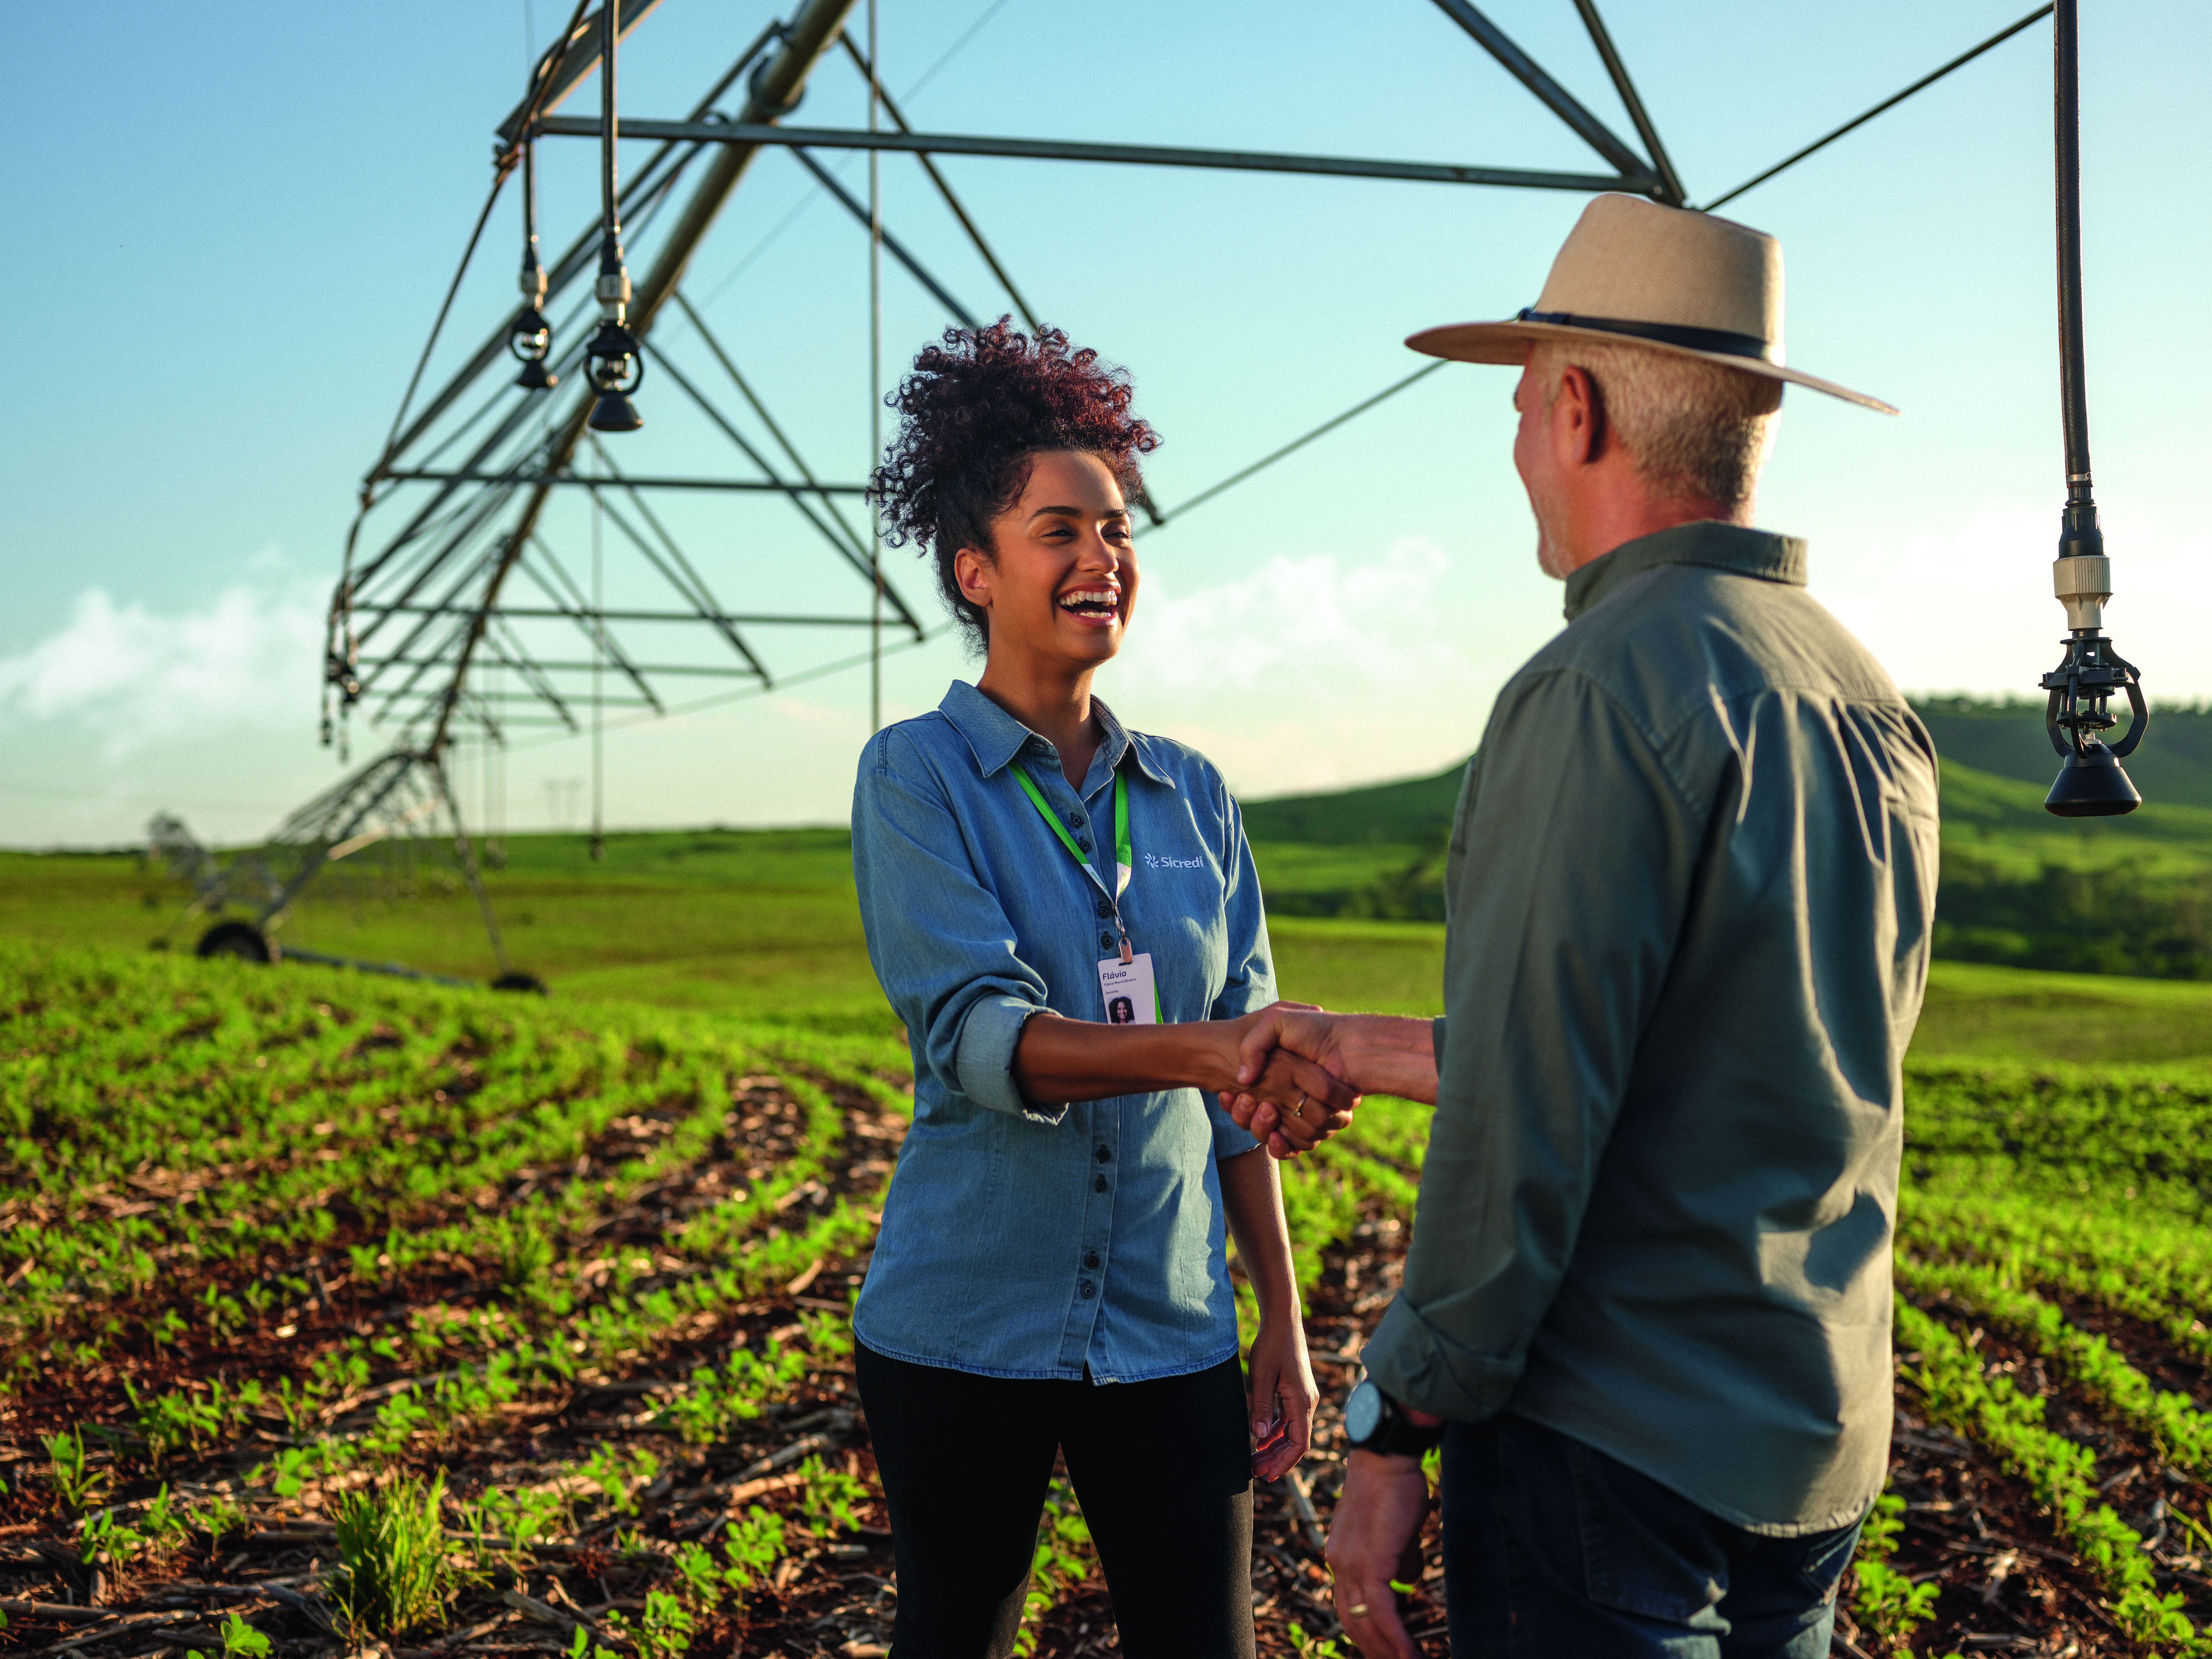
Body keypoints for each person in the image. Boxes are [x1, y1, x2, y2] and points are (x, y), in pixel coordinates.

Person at [1227, 195, 1941, 1658]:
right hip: (1813, 1446)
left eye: (1516, 404)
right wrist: (1359, 1045)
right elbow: (1713, 1049)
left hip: (1614, 1456)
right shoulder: (1868, 699)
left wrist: (1395, 1424)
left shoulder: (1599, 688)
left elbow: (1527, 1127)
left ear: (1575, 408)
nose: (1516, 451)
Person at [849, 319, 1349, 1659]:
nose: (1103, 558)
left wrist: (1282, 1325)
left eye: (1119, 530)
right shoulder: (917, 777)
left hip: (1172, 1324)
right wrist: (1209, 1049)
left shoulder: (1192, 795)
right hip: (964, 1327)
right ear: (977, 570)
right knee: (955, 1636)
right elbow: (982, 1039)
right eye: (1059, 531)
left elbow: (1241, 1101)